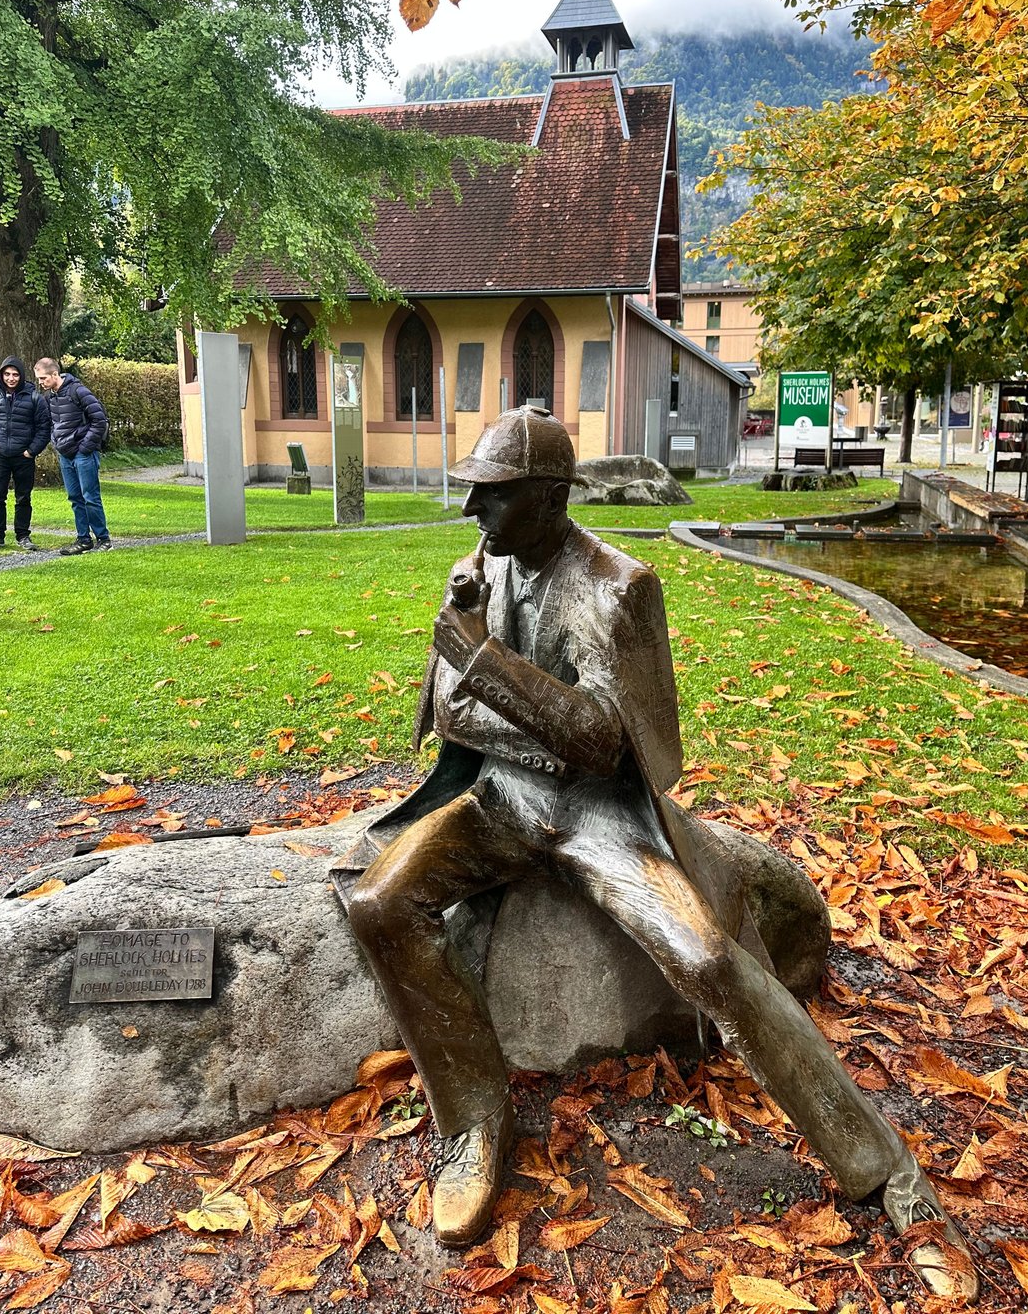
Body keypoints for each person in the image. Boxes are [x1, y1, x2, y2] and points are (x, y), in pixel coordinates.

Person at [343, 406, 978, 1303]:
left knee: (709, 956)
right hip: (501, 805)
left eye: (492, 497)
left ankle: (891, 1179)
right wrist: (521, 712)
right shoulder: (476, 569)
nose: (472, 515)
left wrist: (488, 667)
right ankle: (477, 1124)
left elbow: (605, 746)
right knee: (379, 901)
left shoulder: (619, 587)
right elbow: (451, 719)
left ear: (550, 497)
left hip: (604, 819)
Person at [33, 358, 112, 555]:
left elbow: (100, 420)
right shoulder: (48, 397)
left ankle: (104, 539)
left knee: (90, 497)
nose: (40, 382)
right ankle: (83, 539)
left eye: (43, 378)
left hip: (83, 454)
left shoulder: (78, 391)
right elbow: (51, 423)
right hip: (65, 454)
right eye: (38, 379)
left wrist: (85, 447)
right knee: (75, 498)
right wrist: (56, 442)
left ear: (54, 374)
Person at [0, 356, 51, 551]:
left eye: (15, 374)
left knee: (23, 498)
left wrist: (32, 451)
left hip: (23, 457)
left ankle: (23, 536)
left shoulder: (34, 397)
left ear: (21, 376)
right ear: (1, 374)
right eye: (7, 374)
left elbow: (44, 427)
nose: (11, 378)